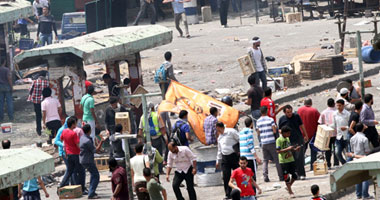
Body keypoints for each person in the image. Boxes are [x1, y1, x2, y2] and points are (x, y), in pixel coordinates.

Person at [278, 105, 308, 180]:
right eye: (288, 112)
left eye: (290, 112)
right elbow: (279, 129)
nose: (290, 114)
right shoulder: (282, 119)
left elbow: (302, 126)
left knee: (299, 158)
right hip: (288, 141)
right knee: (292, 158)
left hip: (298, 139)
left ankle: (302, 174)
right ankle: (295, 174)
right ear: (284, 112)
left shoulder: (296, 116)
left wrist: (305, 135)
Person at [138, 102, 167, 173]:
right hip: (156, 138)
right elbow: (162, 128)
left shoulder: (142, 117)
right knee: (158, 154)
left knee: (147, 154)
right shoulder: (157, 115)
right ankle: (160, 170)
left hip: (147, 139)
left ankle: (149, 169)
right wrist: (166, 138)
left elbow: (140, 129)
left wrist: (140, 140)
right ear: (153, 108)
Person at [59, 117, 86, 194]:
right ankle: (82, 188)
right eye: (75, 123)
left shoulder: (64, 131)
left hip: (68, 154)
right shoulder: (73, 133)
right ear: (73, 124)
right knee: (81, 171)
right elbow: (78, 145)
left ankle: (61, 185)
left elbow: (62, 140)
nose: (76, 125)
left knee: (69, 171)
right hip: (76, 154)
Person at [256, 106, 283, 182]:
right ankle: (281, 176)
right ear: (267, 111)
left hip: (264, 142)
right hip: (271, 141)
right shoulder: (270, 120)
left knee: (265, 160)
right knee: (277, 159)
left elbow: (258, 132)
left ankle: (265, 177)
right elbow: (274, 131)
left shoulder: (258, 121)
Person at [215, 122, 240, 199]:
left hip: (234, 156)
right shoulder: (219, 137)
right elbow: (219, 149)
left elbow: (239, 139)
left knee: (238, 175)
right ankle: (228, 194)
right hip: (225, 158)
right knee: (226, 176)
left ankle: (241, 191)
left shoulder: (231, 131)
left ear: (218, 127)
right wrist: (217, 160)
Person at [80, 124, 105, 199]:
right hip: (87, 160)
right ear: (89, 130)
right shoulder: (87, 141)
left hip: (83, 159)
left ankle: (92, 191)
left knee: (93, 175)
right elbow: (95, 150)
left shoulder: (82, 138)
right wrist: (101, 142)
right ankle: (91, 193)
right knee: (96, 175)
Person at [348, 123, 372, 199]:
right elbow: (367, 151)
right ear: (362, 129)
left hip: (355, 159)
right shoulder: (364, 139)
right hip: (363, 159)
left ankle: (358, 194)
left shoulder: (352, 138)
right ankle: (365, 195)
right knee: (365, 178)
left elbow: (352, 150)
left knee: (357, 177)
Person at [277, 125, 300, 197]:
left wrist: (295, 149)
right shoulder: (279, 140)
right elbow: (278, 151)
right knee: (286, 177)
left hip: (290, 159)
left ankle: (288, 186)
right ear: (283, 133)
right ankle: (290, 192)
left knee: (295, 175)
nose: (289, 135)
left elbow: (290, 148)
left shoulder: (287, 139)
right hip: (284, 161)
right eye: (288, 133)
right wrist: (288, 149)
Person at [297, 98, 320, 171]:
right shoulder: (314, 111)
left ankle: (300, 167)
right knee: (313, 151)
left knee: (301, 152)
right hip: (312, 134)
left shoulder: (299, 110)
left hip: (302, 135)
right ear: (311, 103)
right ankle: (312, 167)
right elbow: (319, 122)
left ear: (304, 103)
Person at [239, 118, 262, 189]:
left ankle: (247, 190)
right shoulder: (249, 132)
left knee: (245, 175)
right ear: (251, 124)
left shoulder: (241, 132)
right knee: (252, 175)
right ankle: (253, 191)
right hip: (250, 157)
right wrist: (256, 157)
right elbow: (250, 146)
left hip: (243, 156)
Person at [318, 98, 339, 169]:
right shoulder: (337, 112)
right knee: (336, 148)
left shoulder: (323, 112)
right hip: (336, 133)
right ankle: (336, 163)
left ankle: (328, 164)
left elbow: (320, 123)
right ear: (334, 103)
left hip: (327, 134)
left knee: (328, 150)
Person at [55, 117, 76, 185]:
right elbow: (56, 141)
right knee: (70, 169)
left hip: (69, 152)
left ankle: (69, 183)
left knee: (71, 169)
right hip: (64, 152)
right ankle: (65, 183)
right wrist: (63, 145)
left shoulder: (70, 130)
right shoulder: (61, 130)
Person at [331, 99, 350, 165]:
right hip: (339, 136)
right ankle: (344, 163)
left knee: (348, 153)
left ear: (343, 105)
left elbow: (351, 125)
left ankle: (349, 165)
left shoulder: (347, 114)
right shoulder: (335, 114)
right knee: (337, 152)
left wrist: (346, 128)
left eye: (340, 105)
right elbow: (334, 125)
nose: (338, 107)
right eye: (337, 105)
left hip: (346, 136)